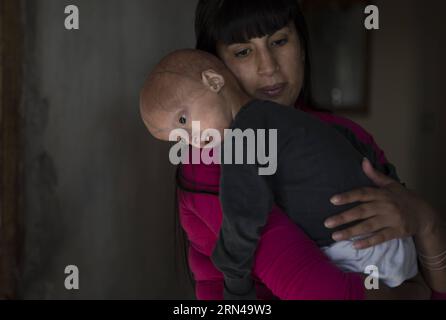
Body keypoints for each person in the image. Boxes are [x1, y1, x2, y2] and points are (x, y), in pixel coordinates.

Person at [174, 0, 446, 299]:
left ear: (302, 45)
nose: (269, 67)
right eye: (243, 51)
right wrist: (414, 292)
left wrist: (426, 221)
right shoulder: (211, 157)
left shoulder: (346, 134)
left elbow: (416, 262)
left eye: (279, 41)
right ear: (215, 71)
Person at [140, 49, 423, 299]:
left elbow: (244, 213)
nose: (190, 141)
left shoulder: (243, 137)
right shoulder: (284, 118)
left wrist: (236, 286)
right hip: (390, 246)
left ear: (213, 81)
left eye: (183, 120)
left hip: (360, 250)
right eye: (177, 138)